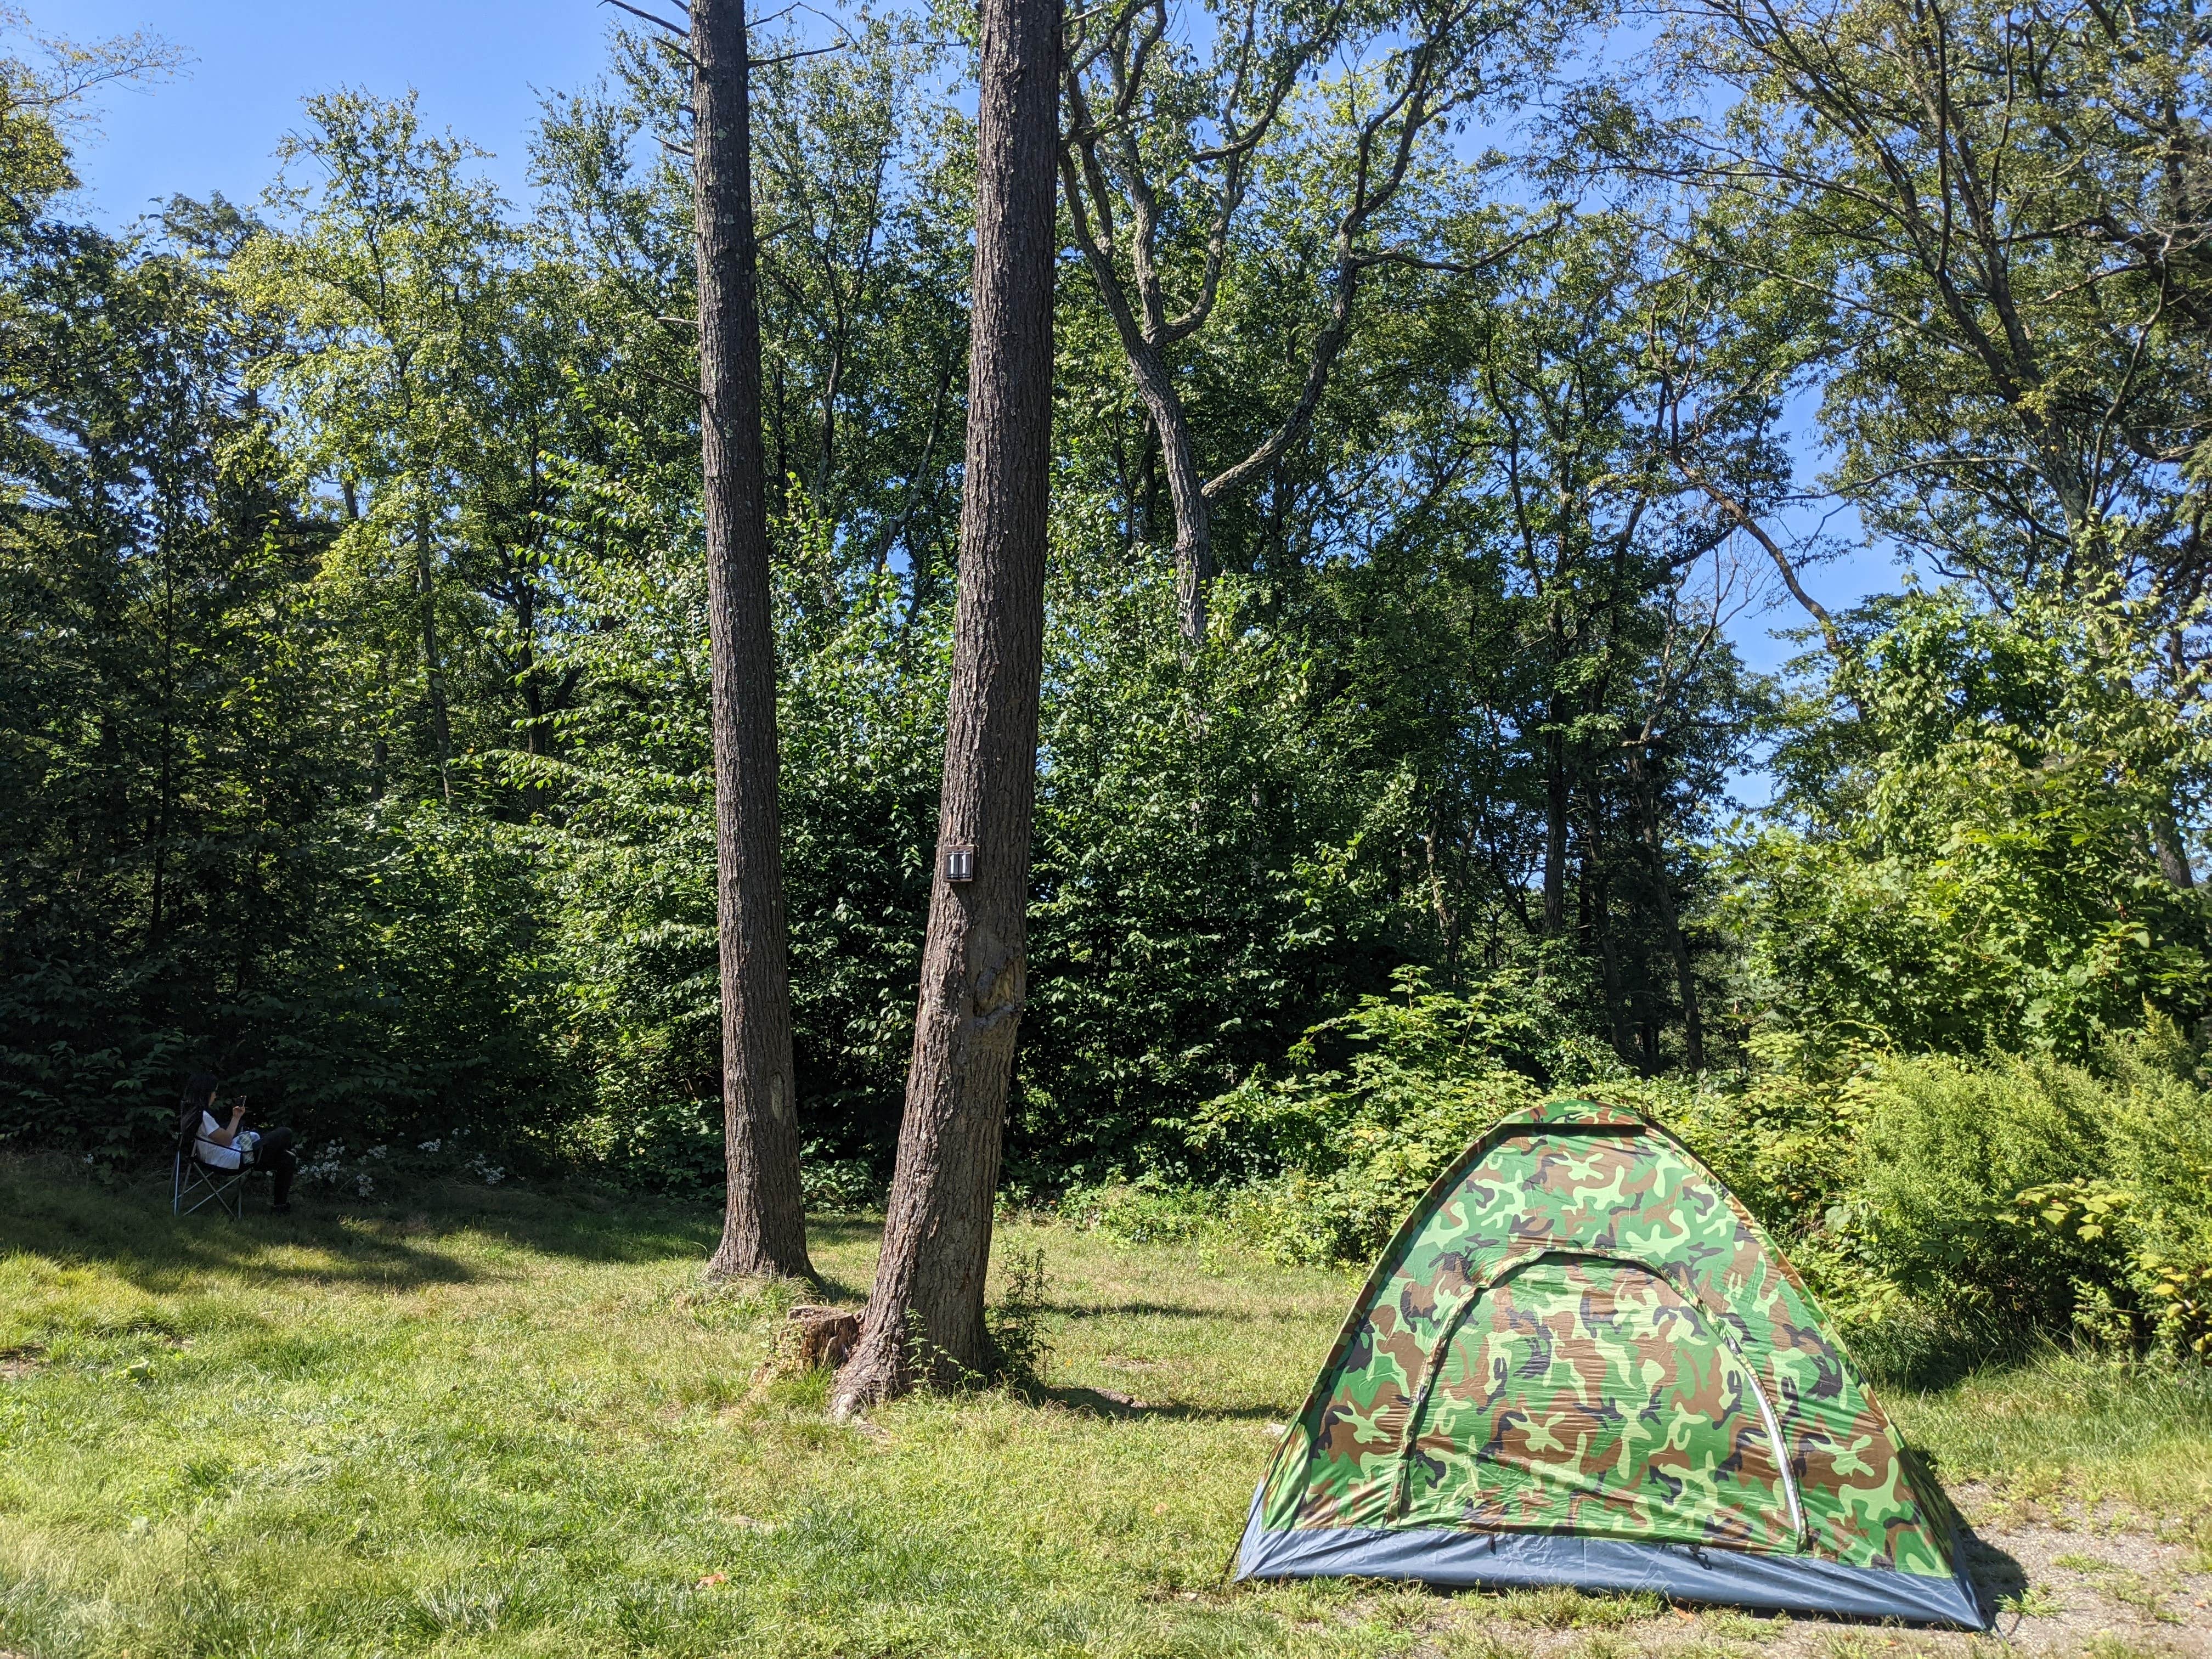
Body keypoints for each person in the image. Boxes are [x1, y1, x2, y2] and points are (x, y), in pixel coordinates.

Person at [181, 1072, 297, 1213]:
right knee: (285, 1133)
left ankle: (280, 1207)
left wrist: (236, 1117)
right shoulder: (203, 1117)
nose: (215, 1096)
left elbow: (226, 1138)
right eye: (214, 1092)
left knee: (287, 1157)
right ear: (206, 1092)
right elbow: (227, 1141)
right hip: (231, 1160)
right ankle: (266, 1163)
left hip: (226, 1153)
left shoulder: (191, 1112)